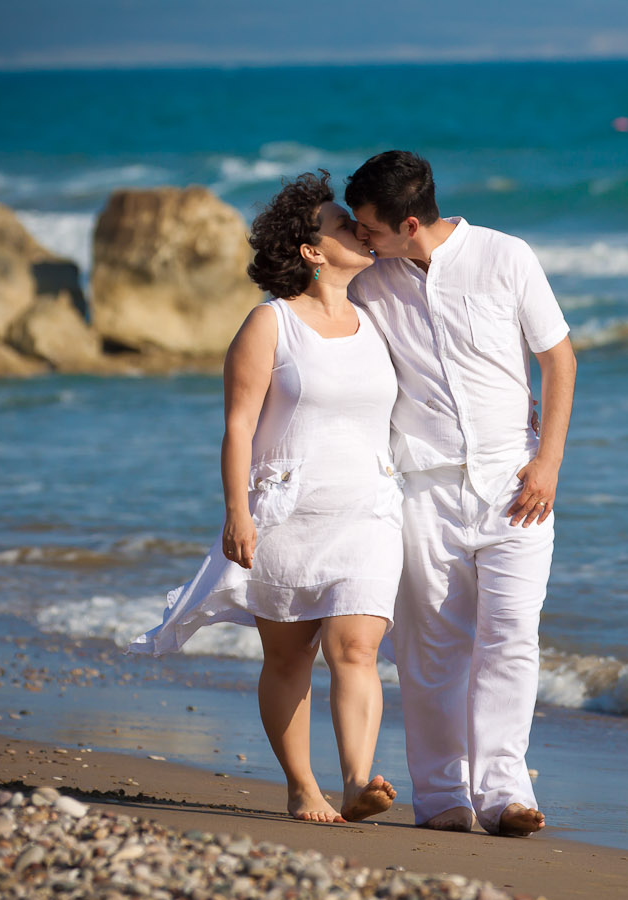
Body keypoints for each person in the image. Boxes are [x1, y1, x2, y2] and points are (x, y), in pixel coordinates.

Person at [130, 172, 400, 825]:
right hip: (288, 510)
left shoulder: (377, 320)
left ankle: (359, 779)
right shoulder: (269, 324)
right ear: (312, 250)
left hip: (370, 506)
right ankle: (302, 787)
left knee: (357, 646)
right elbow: (238, 427)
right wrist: (237, 512)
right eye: (343, 226)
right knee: (288, 657)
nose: (360, 234)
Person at [345, 151, 576, 836]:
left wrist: (549, 465)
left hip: (516, 484)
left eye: (371, 229)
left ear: (408, 223)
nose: (363, 239)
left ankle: (505, 793)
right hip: (421, 488)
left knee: (512, 637)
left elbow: (557, 358)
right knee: (430, 648)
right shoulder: (370, 277)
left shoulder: (506, 257)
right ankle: (443, 796)